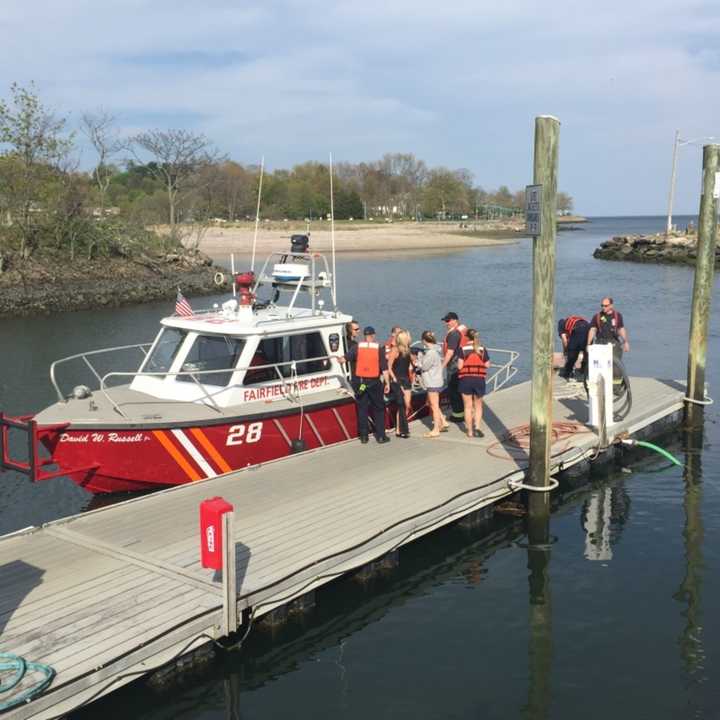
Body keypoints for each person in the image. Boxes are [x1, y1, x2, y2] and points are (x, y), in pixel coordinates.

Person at [345, 326, 390, 444]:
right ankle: (381, 436)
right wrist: (387, 383)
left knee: (362, 409)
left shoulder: (357, 347)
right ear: (373, 335)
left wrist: (338, 359)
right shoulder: (379, 348)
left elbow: (345, 359)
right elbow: (384, 368)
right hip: (374, 383)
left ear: (364, 336)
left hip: (362, 384)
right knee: (379, 409)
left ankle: (364, 437)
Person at [457, 329, 490, 438]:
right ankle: (477, 428)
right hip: (479, 380)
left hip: (466, 380)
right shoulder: (482, 349)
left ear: (466, 337)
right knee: (478, 406)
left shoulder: (462, 349)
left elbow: (459, 367)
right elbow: (487, 365)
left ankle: (470, 432)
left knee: (467, 406)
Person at [415, 330, 448, 438]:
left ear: (424, 340)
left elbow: (424, 366)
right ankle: (443, 422)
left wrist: (417, 360)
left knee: (433, 405)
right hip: (437, 379)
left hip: (432, 381)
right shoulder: (437, 350)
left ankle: (436, 429)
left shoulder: (430, 353)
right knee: (434, 403)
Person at [441, 312, 469, 423]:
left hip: (454, 366)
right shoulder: (462, 331)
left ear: (455, 320)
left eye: (448, 321)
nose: (446, 323)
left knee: (453, 390)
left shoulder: (453, 334)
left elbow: (450, 352)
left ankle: (457, 415)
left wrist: (442, 366)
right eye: (445, 321)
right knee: (460, 390)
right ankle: (463, 412)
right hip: (462, 364)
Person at [388, 329, 413, 438]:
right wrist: (393, 378)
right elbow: (389, 367)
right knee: (401, 404)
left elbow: (410, 363)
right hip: (397, 379)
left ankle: (400, 426)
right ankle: (402, 429)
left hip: (406, 379)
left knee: (407, 405)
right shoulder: (395, 350)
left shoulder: (407, 350)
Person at [557, 315, 590, 381]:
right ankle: (583, 369)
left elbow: (564, 340)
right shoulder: (577, 319)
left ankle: (567, 373)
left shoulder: (561, 324)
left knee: (572, 355)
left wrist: (566, 351)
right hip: (588, 328)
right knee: (587, 350)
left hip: (577, 330)